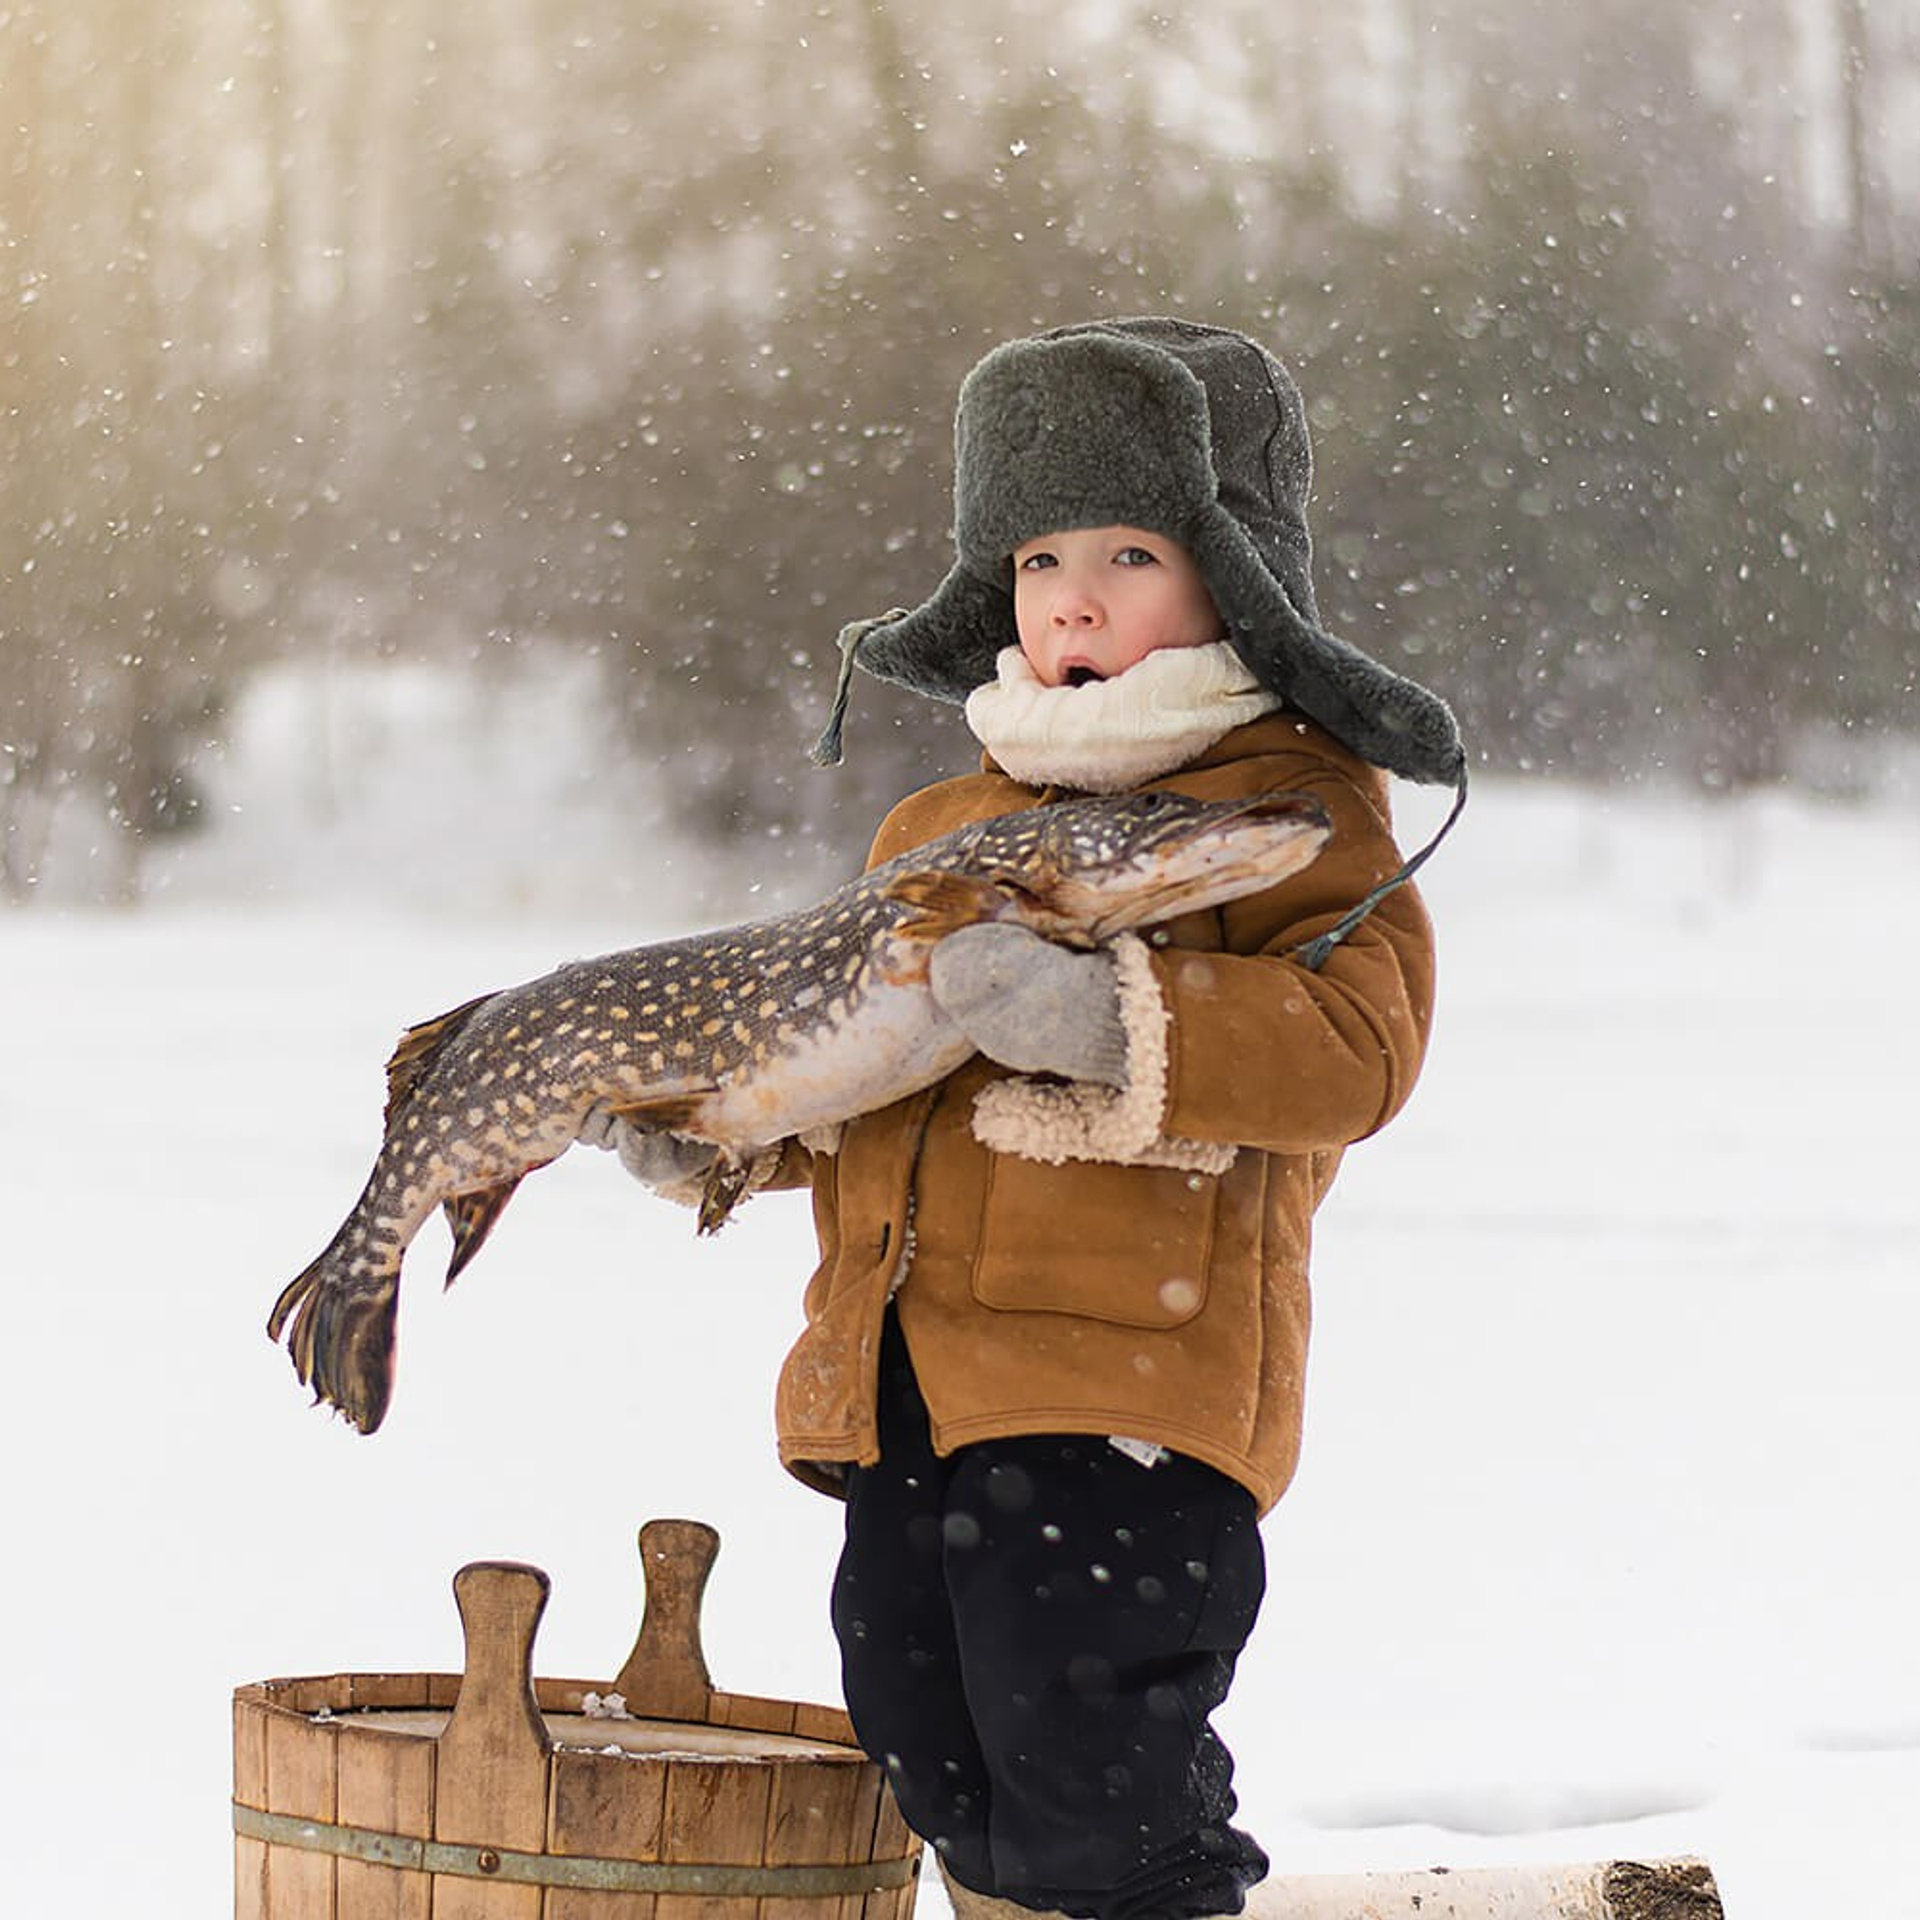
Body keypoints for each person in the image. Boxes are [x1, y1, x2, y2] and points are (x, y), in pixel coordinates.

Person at [587, 317, 1466, 1920]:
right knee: (923, 1730)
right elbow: (870, 1071)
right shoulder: (939, 823)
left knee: (1093, 1761)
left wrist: (1114, 1019)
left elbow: (1359, 1048)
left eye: (1133, 550)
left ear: (1237, 577)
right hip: (905, 1378)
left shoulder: (1288, 807)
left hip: (1128, 1382)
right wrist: (727, 1129)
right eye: (1039, 553)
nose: (1074, 593)